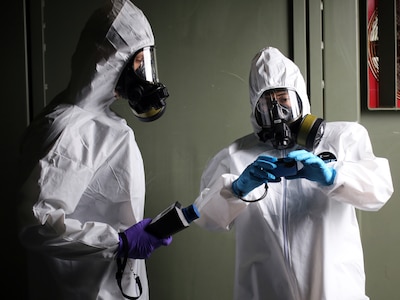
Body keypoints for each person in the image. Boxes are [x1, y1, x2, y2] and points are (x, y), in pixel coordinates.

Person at [194, 46, 394, 300]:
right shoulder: (236, 155)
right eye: (267, 102)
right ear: (256, 108)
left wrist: (333, 176)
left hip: (335, 291)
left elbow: (380, 189)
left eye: (284, 99)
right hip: (264, 291)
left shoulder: (342, 139)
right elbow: (206, 217)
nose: (277, 110)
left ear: (299, 97)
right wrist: (236, 189)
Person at [17, 1, 172, 299]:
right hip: (84, 292)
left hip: (115, 285)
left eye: (146, 64)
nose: (143, 75)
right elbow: (36, 223)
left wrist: (129, 241)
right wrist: (119, 243)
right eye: (138, 63)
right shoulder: (67, 129)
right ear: (108, 59)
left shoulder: (102, 121)